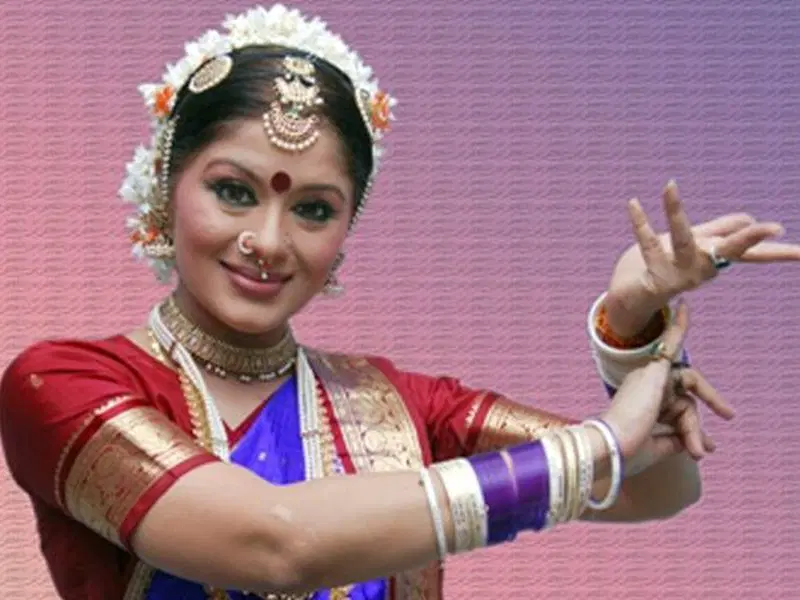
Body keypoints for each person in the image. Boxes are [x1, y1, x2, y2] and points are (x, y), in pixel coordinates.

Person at [0, 5, 797, 600]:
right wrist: (597, 445)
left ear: (346, 230)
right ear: (165, 190)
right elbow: (274, 545)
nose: (269, 240)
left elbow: (656, 487)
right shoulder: (63, 384)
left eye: (314, 209)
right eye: (234, 191)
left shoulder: (395, 406)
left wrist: (631, 327)